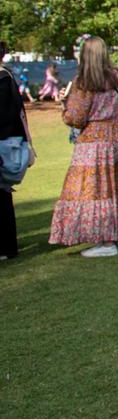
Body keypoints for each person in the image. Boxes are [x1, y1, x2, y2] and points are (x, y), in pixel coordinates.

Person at [49, 37, 118, 257]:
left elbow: (75, 117)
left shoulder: (84, 82)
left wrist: (63, 106)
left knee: (97, 191)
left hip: (95, 143)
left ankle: (105, 242)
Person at [0, 42, 34, 260]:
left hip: (4, 143)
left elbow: (10, 116)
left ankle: (5, 246)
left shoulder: (3, 80)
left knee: (2, 194)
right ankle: (6, 246)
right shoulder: (7, 79)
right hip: (7, 141)